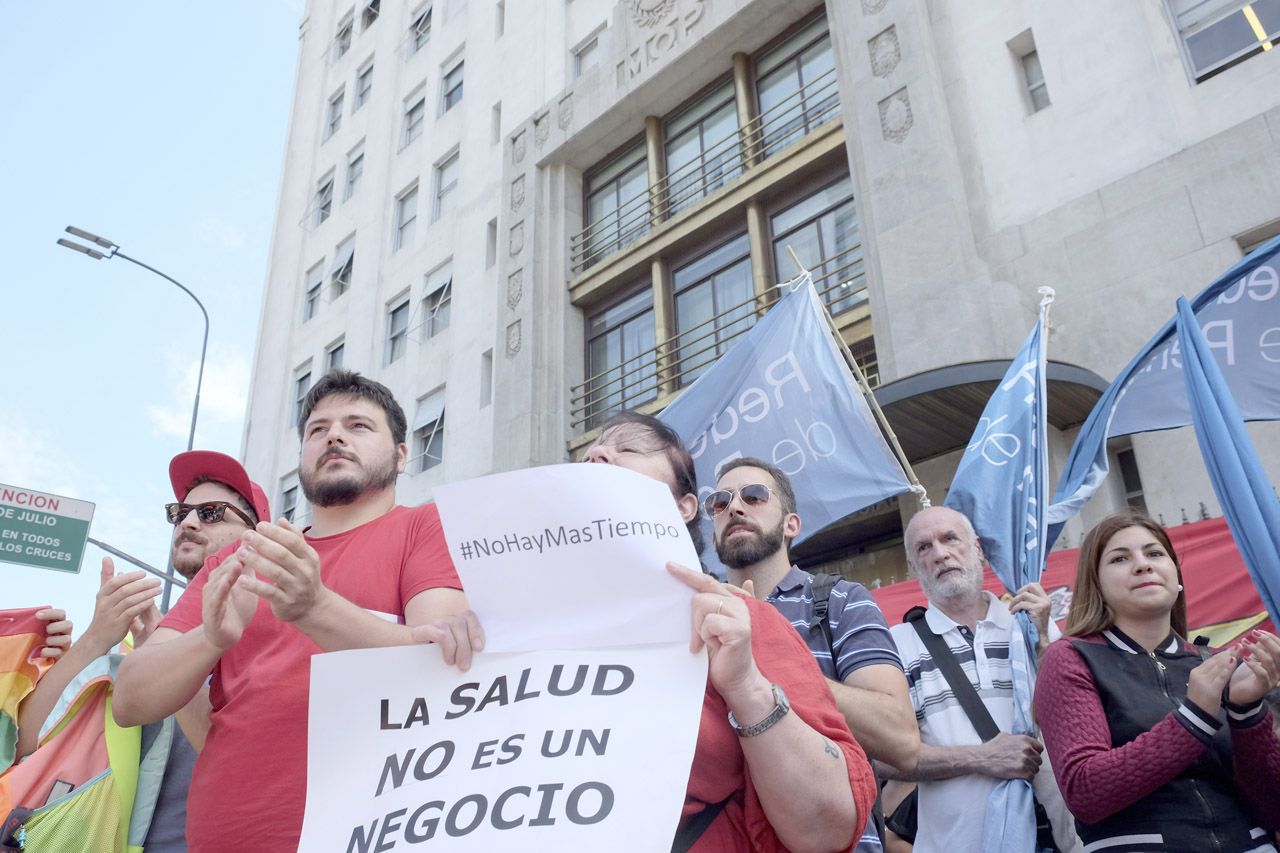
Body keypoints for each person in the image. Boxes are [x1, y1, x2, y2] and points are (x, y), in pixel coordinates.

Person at [114, 370, 471, 852]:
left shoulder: (427, 527)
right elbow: (129, 702)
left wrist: (315, 607)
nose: (334, 436)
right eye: (317, 429)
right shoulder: (236, 558)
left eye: (358, 425)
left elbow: (444, 668)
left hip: (372, 833)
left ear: (402, 455)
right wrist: (210, 640)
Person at [573, 411, 875, 853]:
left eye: (629, 447)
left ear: (682, 507)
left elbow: (827, 829)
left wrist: (747, 685)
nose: (596, 454)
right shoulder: (504, 630)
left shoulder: (739, 621)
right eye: (588, 452)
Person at [10, 450, 268, 852]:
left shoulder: (273, 638)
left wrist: (165, 667)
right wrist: (96, 639)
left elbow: (248, 767)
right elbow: (24, 743)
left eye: (212, 513)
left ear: (256, 536)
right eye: (180, 513)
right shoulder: (138, 638)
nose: (188, 522)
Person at [1035, 511, 1280, 852]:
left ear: (1176, 576)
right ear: (1096, 585)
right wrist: (1193, 717)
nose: (1142, 565)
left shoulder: (1219, 664)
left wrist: (1247, 712)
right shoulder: (1071, 656)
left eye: (1154, 553)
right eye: (1120, 558)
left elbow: (1274, 808)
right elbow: (1085, 793)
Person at [709, 458, 919, 851]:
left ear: (791, 524)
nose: (734, 507)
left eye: (754, 496)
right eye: (719, 502)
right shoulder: (698, 613)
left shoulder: (841, 600)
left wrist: (762, 666)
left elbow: (902, 740)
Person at [883, 506, 1078, 853]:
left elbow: (1078, 718)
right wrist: (980, 757)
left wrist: (1045, 643)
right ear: (914, 567)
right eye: (924, 547)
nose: (940, 554)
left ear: (977, 548)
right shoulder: (896, 644)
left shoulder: (1031, 624)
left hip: (1061, 839)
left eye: (950, 539)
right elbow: (883, 757)